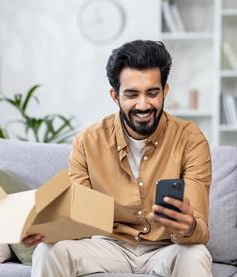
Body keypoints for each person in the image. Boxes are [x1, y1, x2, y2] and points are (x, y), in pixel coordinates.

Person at [22, 40, 212, 277]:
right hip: (107, 246)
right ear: (115, 96)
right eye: (132, 94)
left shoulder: (190, 139)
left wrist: (189, 226)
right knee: (48, 251)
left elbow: (201, 231)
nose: (143, 105)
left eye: (152, 93)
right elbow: (79, 217)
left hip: (166, 247)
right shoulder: (87, 142)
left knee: (196, 254)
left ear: (165, 91)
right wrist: (49, 229)